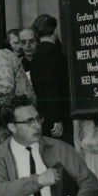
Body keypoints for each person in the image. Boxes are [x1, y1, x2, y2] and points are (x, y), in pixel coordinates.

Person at [29, 14, 73, 144]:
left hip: (45, 113)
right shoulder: (52, 52)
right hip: (57, 115)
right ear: (55, 30)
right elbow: (51, 87)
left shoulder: (37, 53)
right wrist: (57, 119)